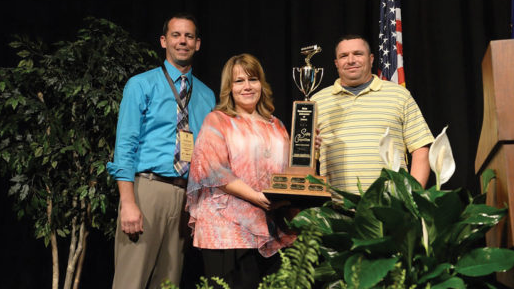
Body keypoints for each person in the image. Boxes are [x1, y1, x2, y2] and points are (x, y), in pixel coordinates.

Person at [107, 13, 216, 288]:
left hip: (185, 199)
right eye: (176, 35)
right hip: (147, 189)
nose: (183, 41)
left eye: (189, 36)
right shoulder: (141, 84)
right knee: (130, 281)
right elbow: (125, 146)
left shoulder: (206, 95)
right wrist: (129, 202)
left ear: (198, 44)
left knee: (169, 282)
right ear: (163, 41)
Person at [186, 53, 296, 289]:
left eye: (253, 79)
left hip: (270, 224)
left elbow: (289, 171)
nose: (247, 86)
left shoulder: (277, 125)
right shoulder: (218, 120)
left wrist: (307, 152)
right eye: (239, 81)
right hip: (226, 231)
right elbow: (213, 171)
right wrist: (257, 197)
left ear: (261, 84)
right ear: (229, 87)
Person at [310, 34, 434, 193]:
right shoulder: (317, 101)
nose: (351, 60)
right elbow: (305, 159)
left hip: (391, 207)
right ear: (336, 63)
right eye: (343, 56)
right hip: (336, 209)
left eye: (358, 54)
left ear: (371, 58)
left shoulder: (399, 95)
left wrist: (412, 199)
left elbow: (420, 149)